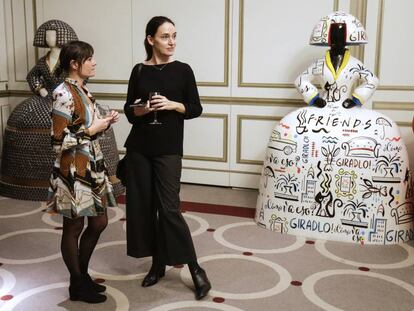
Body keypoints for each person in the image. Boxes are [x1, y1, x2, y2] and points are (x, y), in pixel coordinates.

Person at [123, 16, 211, 300]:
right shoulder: (138, 70)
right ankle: (157, 263)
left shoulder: (183, 70)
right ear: (151, 40)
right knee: (144, 209)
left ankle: (195, 268)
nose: (171, 41)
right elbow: (129, 110)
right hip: (139, 148)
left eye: (174, 36)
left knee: (170, 208)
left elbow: (196, 108)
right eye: (165, 36)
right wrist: (142, 110)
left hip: (168, 148)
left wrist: (173, 105)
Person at [47, 40, 119, 303]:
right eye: (89, 59)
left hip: (91, 166)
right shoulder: (62, 93)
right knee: (74, 227)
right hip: (73, 170)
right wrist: (93, 129)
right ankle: (76, 284)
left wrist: (104, 123)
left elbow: (87, 128)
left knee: (99, 222)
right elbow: (57, 141)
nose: (94, 62)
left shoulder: (83, 89)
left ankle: (82, 275)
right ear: (74, 64)